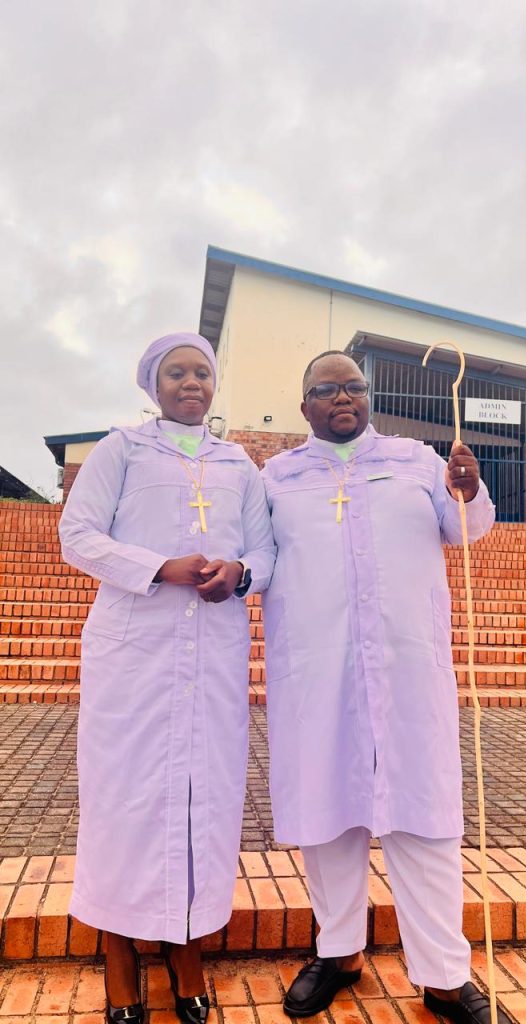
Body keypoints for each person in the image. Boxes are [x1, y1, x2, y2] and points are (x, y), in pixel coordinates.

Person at [261, 351, 511, 1024]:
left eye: (354, 386)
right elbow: (257, 557)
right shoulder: (278, 477)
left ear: (368, 397)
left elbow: (467, 529)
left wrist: (468, 490)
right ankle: (339, 953)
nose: (343, 397)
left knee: (423, 816)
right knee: (328, 814)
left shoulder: (415, 460)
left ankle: (443, 976)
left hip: (406, 669)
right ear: (305, 406)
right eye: (326, 389)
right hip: (318, 670)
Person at [59, 333, 275, 1024]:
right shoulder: (121, 449)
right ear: (153, 385)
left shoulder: (238, 463)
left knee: (200, 801)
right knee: (124, 800)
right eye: (176, 372)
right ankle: (119, 956)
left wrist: (240, 572)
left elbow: (265, 548)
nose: (191, 383)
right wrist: (159, 568)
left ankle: (186, 951)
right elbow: (77, 535)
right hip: (135, 654)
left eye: (201, 372)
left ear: (214, 384)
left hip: (212, 653)